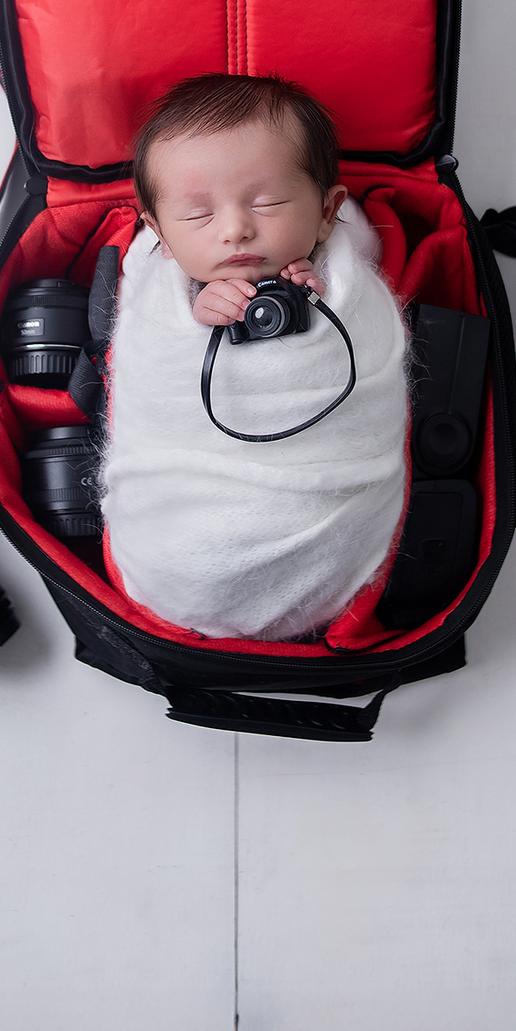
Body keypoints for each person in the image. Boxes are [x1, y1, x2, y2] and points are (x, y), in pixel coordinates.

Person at [99, 74, 408, 642]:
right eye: (198, 216)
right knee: (186, 551)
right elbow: (158, 355)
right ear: (158, 233)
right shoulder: (166, 292)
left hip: (321, 499)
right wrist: (197, 313)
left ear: (327, 211)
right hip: (185, 525)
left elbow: (359, 327)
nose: (236, 229)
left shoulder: (337, 275)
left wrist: (321, 302)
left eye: (266, 203)